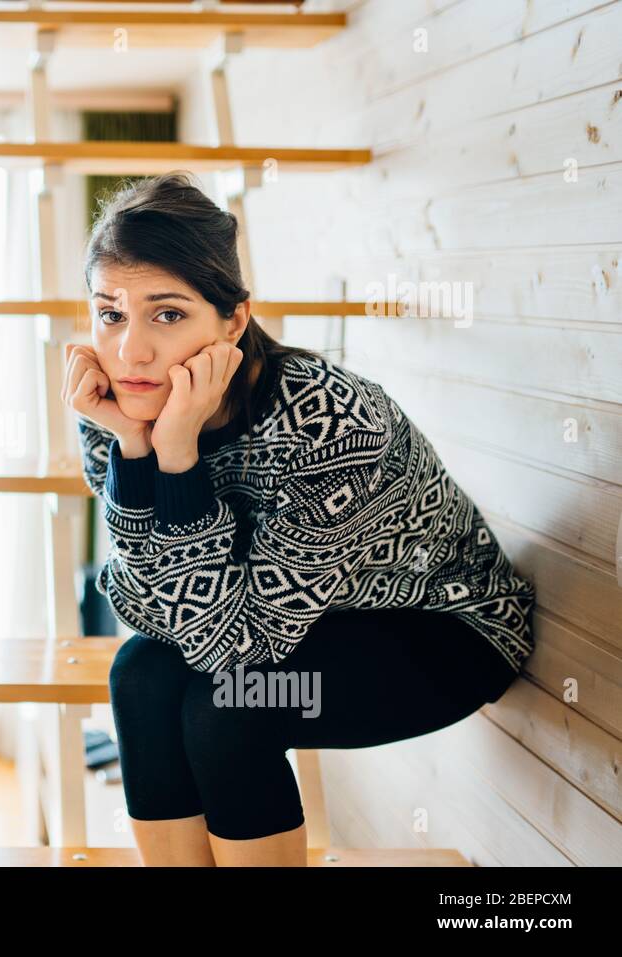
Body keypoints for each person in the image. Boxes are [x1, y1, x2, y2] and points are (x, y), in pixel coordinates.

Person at [62, 170, 535, 867]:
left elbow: (234, 648)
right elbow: (150, 611)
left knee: (227, 708)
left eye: (166, 314)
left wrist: (180, 455)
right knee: (138, 673)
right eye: (111, 313)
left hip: (441, 628)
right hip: (294, 621)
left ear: (233, 319)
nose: (131, 349)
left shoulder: (330, 419)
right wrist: (137, 451)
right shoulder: (117, 409)